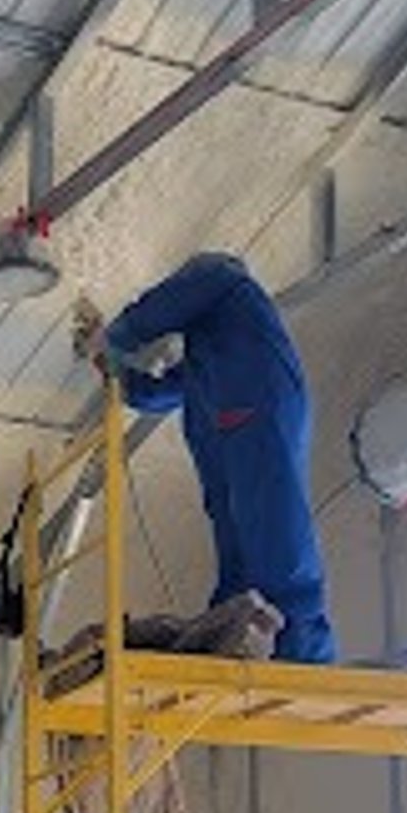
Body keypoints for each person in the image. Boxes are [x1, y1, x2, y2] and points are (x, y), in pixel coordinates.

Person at [76, 251, 337, 665]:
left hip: (259, 411)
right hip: (231, 432)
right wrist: (106, 364)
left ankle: (303, 646)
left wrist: (117, 336)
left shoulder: (227, 282)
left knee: (273, 529)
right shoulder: (210, 350)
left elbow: (177, 298)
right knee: (235, 541)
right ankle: (232, 628)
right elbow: (154, 393)